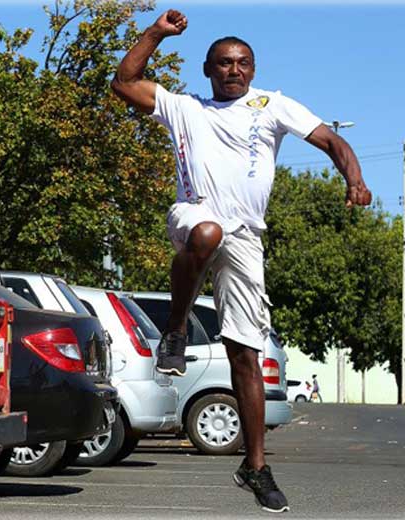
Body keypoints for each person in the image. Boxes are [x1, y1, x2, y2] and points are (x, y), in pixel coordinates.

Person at [110, 9, 372, 514]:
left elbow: (332, 141)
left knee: (245, 354)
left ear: (253, 70)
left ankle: (255, 467)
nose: (233, 70)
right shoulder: (184, 108)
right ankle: (178, 328)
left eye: (243, 63)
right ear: (208, 70)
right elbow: (125, 82)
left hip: (248, 237)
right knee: (206, 234)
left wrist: (354, 179)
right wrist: (156, 34)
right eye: (224, 63)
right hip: (195, 214)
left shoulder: (273, 106)